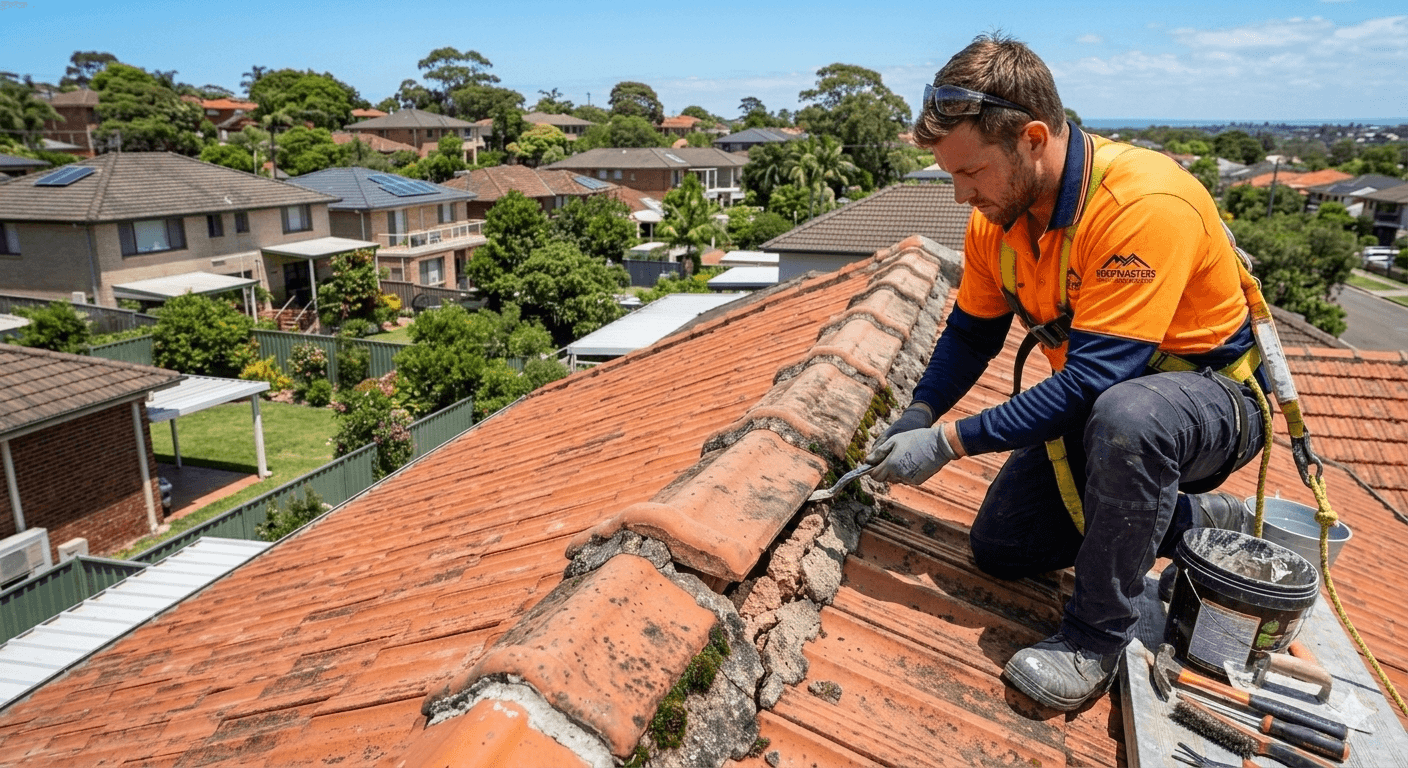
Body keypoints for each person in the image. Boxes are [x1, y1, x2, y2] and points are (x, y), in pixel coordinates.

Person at [866, 33, 1266, 711]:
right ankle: (1193, 518)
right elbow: (970, 334)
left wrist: (946, 445)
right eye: (951, 176)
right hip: (1103, 414)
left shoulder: (1143, 204)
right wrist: (918, 413)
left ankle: (1094, 638)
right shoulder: (1000, 216)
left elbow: (1093, 384)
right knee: (1003, 546)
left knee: (1130, 417)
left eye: (972, 173)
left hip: (1208, 409)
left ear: (1031, 138)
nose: (962, 196)